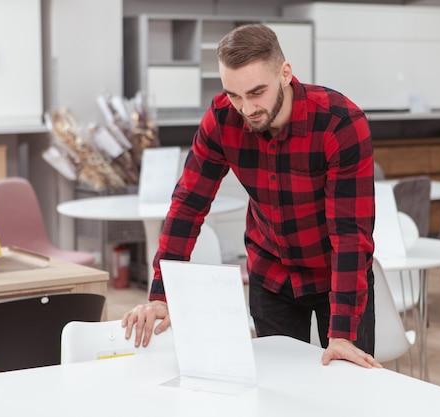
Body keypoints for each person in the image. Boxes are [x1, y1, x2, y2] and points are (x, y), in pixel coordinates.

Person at [122, 23, 380, 369]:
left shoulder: (340, 123)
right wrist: (161, 295)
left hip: (338, 276)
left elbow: (350, 235)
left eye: (256, 92)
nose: (246, 108)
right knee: (281, 388)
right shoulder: (222, 119)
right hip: (272, 276)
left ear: (285, 73)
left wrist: (343, 333)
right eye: (233, 94)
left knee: (350, 391)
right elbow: (187, 205)